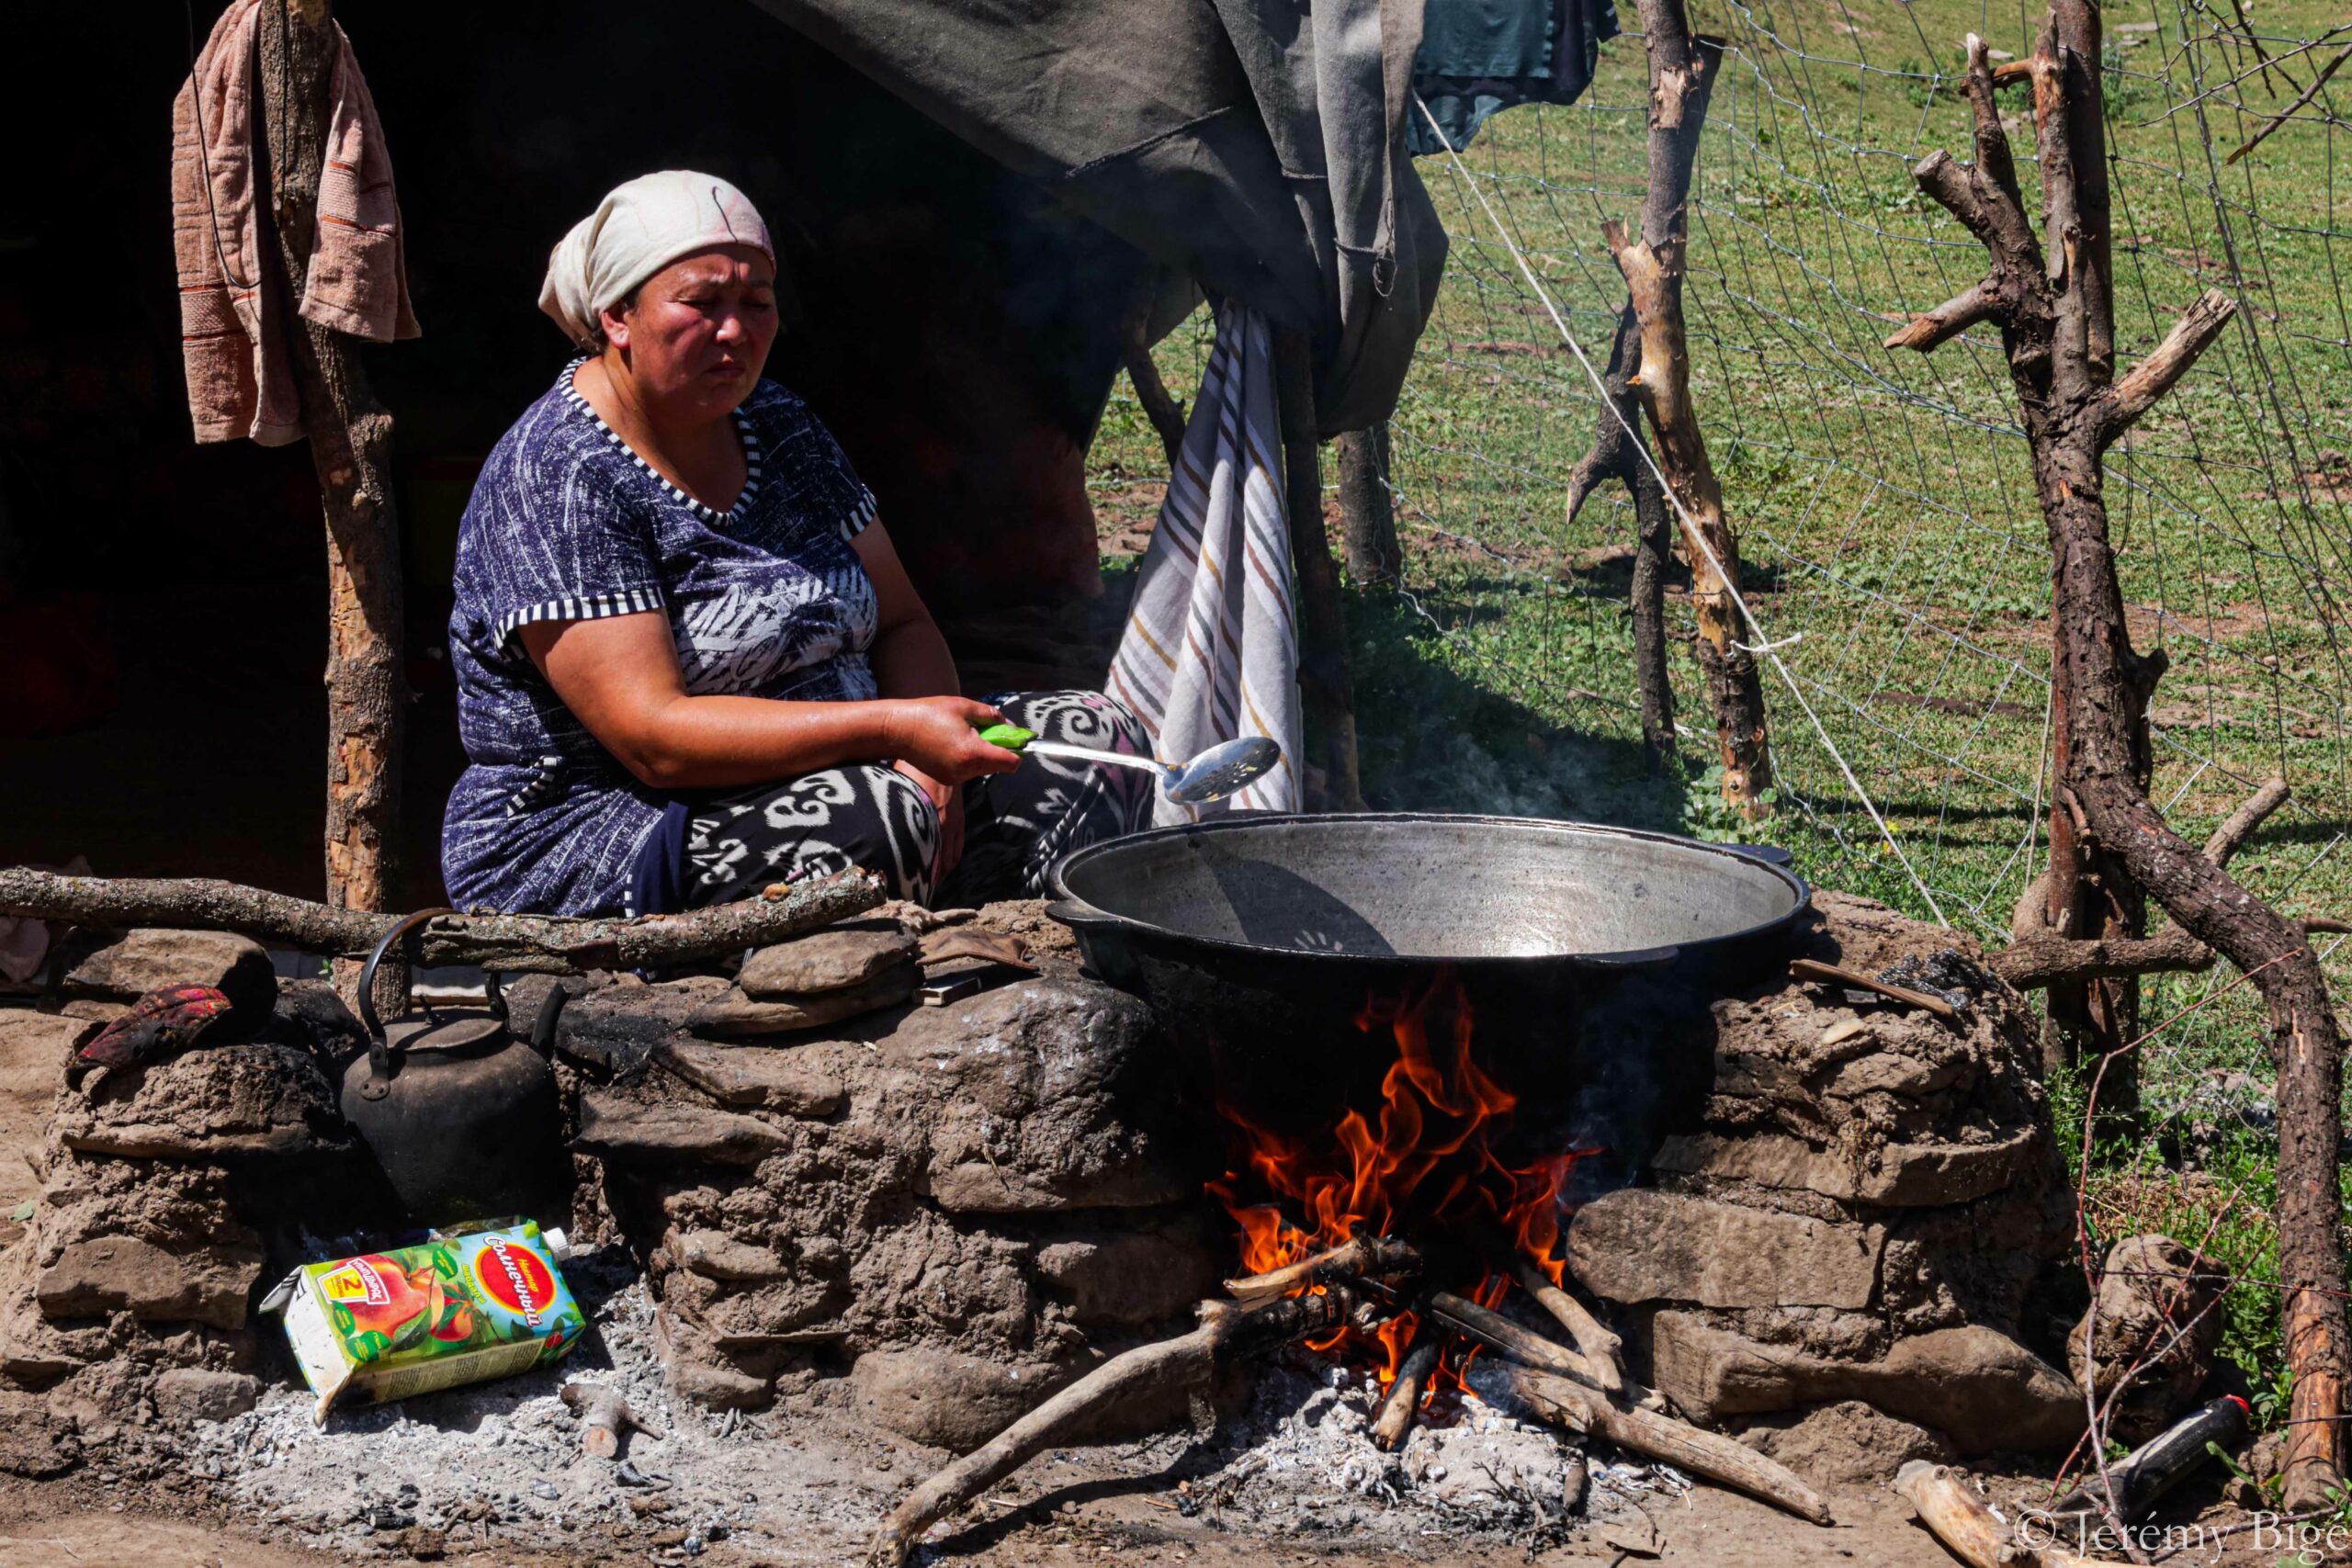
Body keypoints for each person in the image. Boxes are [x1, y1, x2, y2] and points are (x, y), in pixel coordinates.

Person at [441, 172, 1152, 918]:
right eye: (701, 303)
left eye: (756, 303)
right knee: (884, 817)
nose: (735, 332)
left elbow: (902, 620)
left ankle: (1027, 963)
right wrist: (892, 731)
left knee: (1097, 742)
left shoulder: (778, 424)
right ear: (619, 315)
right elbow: (655, 739)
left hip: (856, 776)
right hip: (612, 833)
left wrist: (920, 744)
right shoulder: (555, 476)